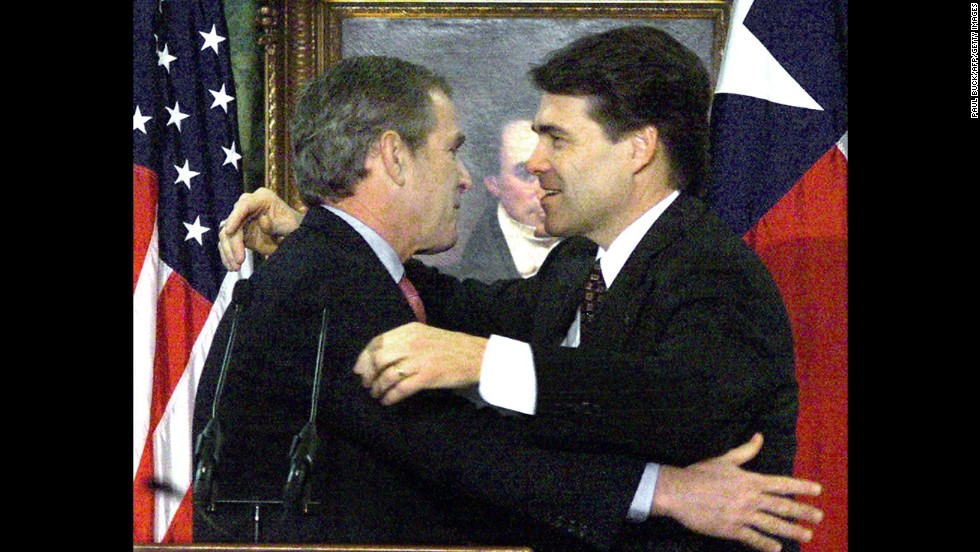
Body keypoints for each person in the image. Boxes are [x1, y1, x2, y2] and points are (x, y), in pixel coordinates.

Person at [213, 32, 823, 552]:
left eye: (557, 139)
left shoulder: (713, 270)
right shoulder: (579, 265)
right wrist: (326, 240)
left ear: (639, 147)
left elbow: (674, 400)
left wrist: (482, 361)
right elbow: (460, 307)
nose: (533, 162)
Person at [445, 119, 560, 283]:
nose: (544, 188)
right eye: (526, 174)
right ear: (494, 184)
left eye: (551, 170)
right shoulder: (473, 273)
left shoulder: (590, 245)